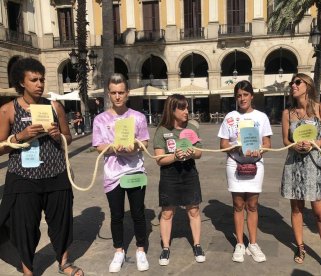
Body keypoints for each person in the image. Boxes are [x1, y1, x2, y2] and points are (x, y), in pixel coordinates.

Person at [0, 58, 83, 275]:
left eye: (42, 79)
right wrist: (20, 136)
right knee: (24, 225)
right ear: (21, 82)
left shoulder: (54, 106)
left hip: (56, 173)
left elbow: (69, 138)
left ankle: (64, 262)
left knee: (61, 222)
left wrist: (58, 136)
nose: (39, 84)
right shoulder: (8, 110)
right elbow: (0, 147)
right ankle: (28, 268)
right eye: (34, 79)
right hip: (22, 176)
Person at [280, 73, 321, 276]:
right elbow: (285, 141)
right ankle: (300, 246)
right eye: (292, 83)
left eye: (298, 82)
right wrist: (295, 145)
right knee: (296, 209)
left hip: (316, 164)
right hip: (295, 165)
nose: (293, 86)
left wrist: (313, 143)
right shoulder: (287, 113)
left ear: (308, 86)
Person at [92, 73, 150, 272]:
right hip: (113, 174)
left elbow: (145, 142)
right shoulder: (100, 119)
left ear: (128, 93)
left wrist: (135, 147)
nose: (117, 96)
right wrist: (113, 148)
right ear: (109, 94)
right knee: (116, 215)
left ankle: (141, 249)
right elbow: (98, 145)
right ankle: (119, 251)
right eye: (114, 93)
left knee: (138, 213)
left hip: (134, 171)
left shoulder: (138, 117)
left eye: (121, 92)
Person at [218, 80, 272, 263]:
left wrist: (260, 150)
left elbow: (267, 143)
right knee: (238, 204)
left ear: (251, 96)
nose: (242, 98)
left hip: (256, 163)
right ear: (236, 97)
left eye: (245, 95)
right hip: (235, 163)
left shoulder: (261, 117)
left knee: (253, 205)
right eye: (239, 95)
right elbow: (223, 144)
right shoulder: (230, 117)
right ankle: (240, 243)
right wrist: (235, 148)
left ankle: (253, 243)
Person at [153, 94, 205, 266]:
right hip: (170, 174)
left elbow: (199, 152)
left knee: (194, 210)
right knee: (167, 212)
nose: (186, 111)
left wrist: (192, 152)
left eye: (187, 107)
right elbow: (159, 159)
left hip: (189, 172)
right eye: (182, 108)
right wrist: (174, 156)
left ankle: (197, 245)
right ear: (172, 110)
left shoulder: (192, 127)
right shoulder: (162, 131)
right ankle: (166, 248)